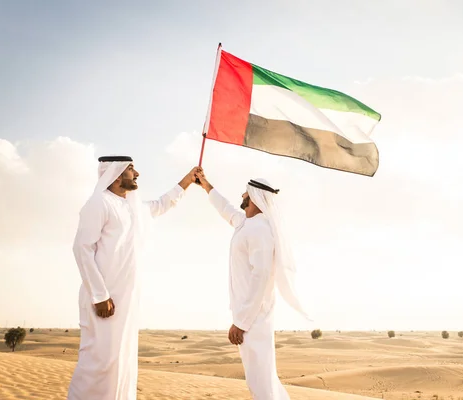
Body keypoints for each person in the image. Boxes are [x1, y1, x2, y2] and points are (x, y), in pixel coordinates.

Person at [67, 155, 200, 400]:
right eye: (131, 169)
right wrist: (100, 295)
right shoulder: (99, 203)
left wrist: (188, 181)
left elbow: (162, 204)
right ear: (115, 174)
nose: (136, 174)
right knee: (97, 362)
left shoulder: (133, 207)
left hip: (126, 300)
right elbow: (81, 248)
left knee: (121, 360)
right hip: (104, 299)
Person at [195, 169, 309, 399]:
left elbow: (261, 277)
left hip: (254, 317)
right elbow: (226, 208)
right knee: (259, 377)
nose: (242, 197)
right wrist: (205, 184)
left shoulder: (260, 230)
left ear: (255, 198)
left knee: (261, 380)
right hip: (247, 315)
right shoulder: (247, 224)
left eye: (246, 194)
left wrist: (241, 322)